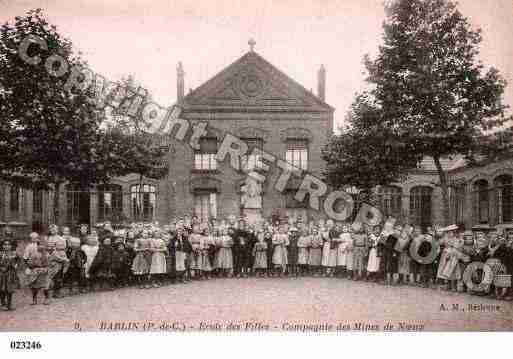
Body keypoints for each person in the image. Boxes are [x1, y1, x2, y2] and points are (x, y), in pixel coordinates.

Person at [25, 240, 51, 305]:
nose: (41, 247)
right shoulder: (34, 254)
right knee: (34, 286)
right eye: (39, 245)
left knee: (46, 286)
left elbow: (49, 263)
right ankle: (34, 299)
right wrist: (32, 266)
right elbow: (30, 263)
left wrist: (46, 268)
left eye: (42, 245)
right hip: (35, 271)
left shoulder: (47, 255)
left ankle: (47, 298)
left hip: (44, 271)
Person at [0, 239, 20, 310]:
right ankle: (3, 303)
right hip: (1, 274)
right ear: (2, 246)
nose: (6, 246)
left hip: (10, 274)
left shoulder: (14, 254)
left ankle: (9, 304)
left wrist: (16, 265)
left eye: (8, 245)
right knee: (2, 289)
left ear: (11, 246)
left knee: (9, 289)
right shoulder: (1, 254)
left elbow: (18, 261)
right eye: (5, 244)